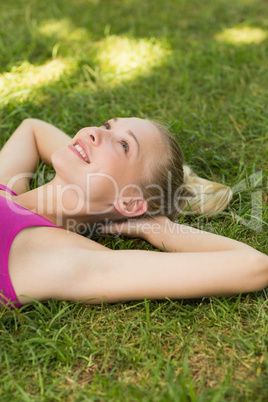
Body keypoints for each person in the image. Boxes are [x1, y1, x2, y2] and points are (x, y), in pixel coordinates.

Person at [0, 117, 267, 308]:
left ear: (129, 203)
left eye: (124, 145)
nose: (95, 132)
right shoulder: (7, 186)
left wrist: (154, 227)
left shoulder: (62, 258)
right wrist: (87, 153)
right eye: (107, 125)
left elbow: (254, 266)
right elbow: (33, 129)